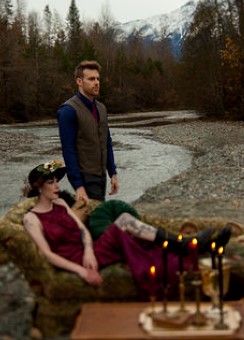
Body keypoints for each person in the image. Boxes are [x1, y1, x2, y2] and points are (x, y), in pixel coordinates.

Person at [20, 161, 187, 289]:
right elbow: (47, 254)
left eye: (57, 181)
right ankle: (182, 244)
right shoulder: (31, 219)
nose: (57, 186)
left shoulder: (61, 203)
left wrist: (89, 251)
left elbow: (82, 230)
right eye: (51, 182)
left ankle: (181, 243)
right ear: (39, 187)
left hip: (89, 252)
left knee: (125, 220)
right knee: (125, 224)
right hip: (76, 261)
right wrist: (82, 271)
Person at [57, 60, 118, 206]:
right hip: (85, 176)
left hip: (101, 174)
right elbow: (68, 150)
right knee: (97, 219)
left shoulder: (101, 108)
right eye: (91, 79)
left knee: (96, 217)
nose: (96, 82)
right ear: (79, 81)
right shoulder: (68, 111)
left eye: (97, 79)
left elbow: (107, 142)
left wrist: (113, 173)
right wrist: (78, 186)